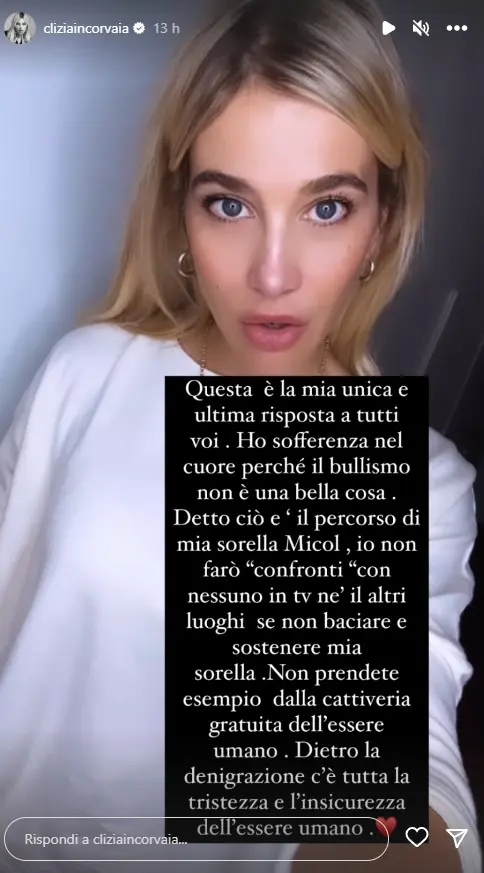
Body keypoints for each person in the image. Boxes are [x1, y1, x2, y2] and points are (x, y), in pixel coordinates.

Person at [0, 0, 481, 871]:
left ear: (382, 223)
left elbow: (411, 780)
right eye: (229, 203)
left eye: (327, 208)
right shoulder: (89, 367)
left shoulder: (422, 479)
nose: (272, 274)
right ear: (181, 212)